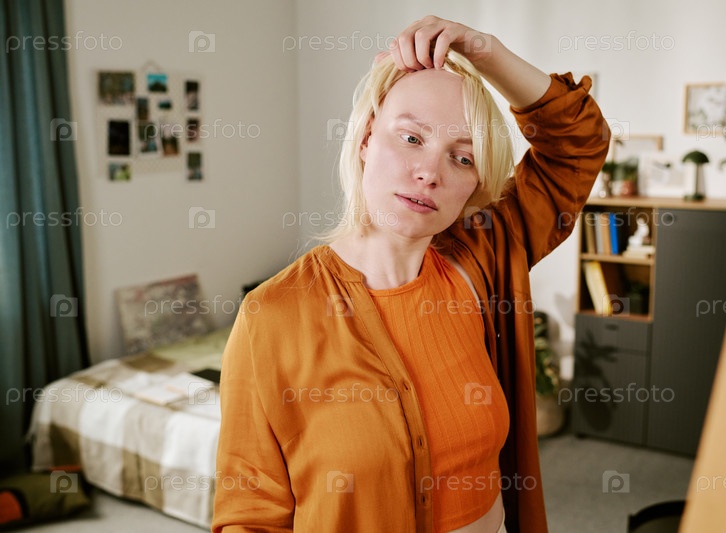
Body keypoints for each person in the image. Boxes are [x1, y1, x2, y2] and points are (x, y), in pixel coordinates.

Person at [213, 15, 608, 533]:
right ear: (365, 139)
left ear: (475, 184)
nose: (430, 173)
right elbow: (250, 514)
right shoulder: (270, 315)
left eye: (462, 158)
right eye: (411, 138)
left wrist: (483, 50)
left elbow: (576, 140)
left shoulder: (483, 256)